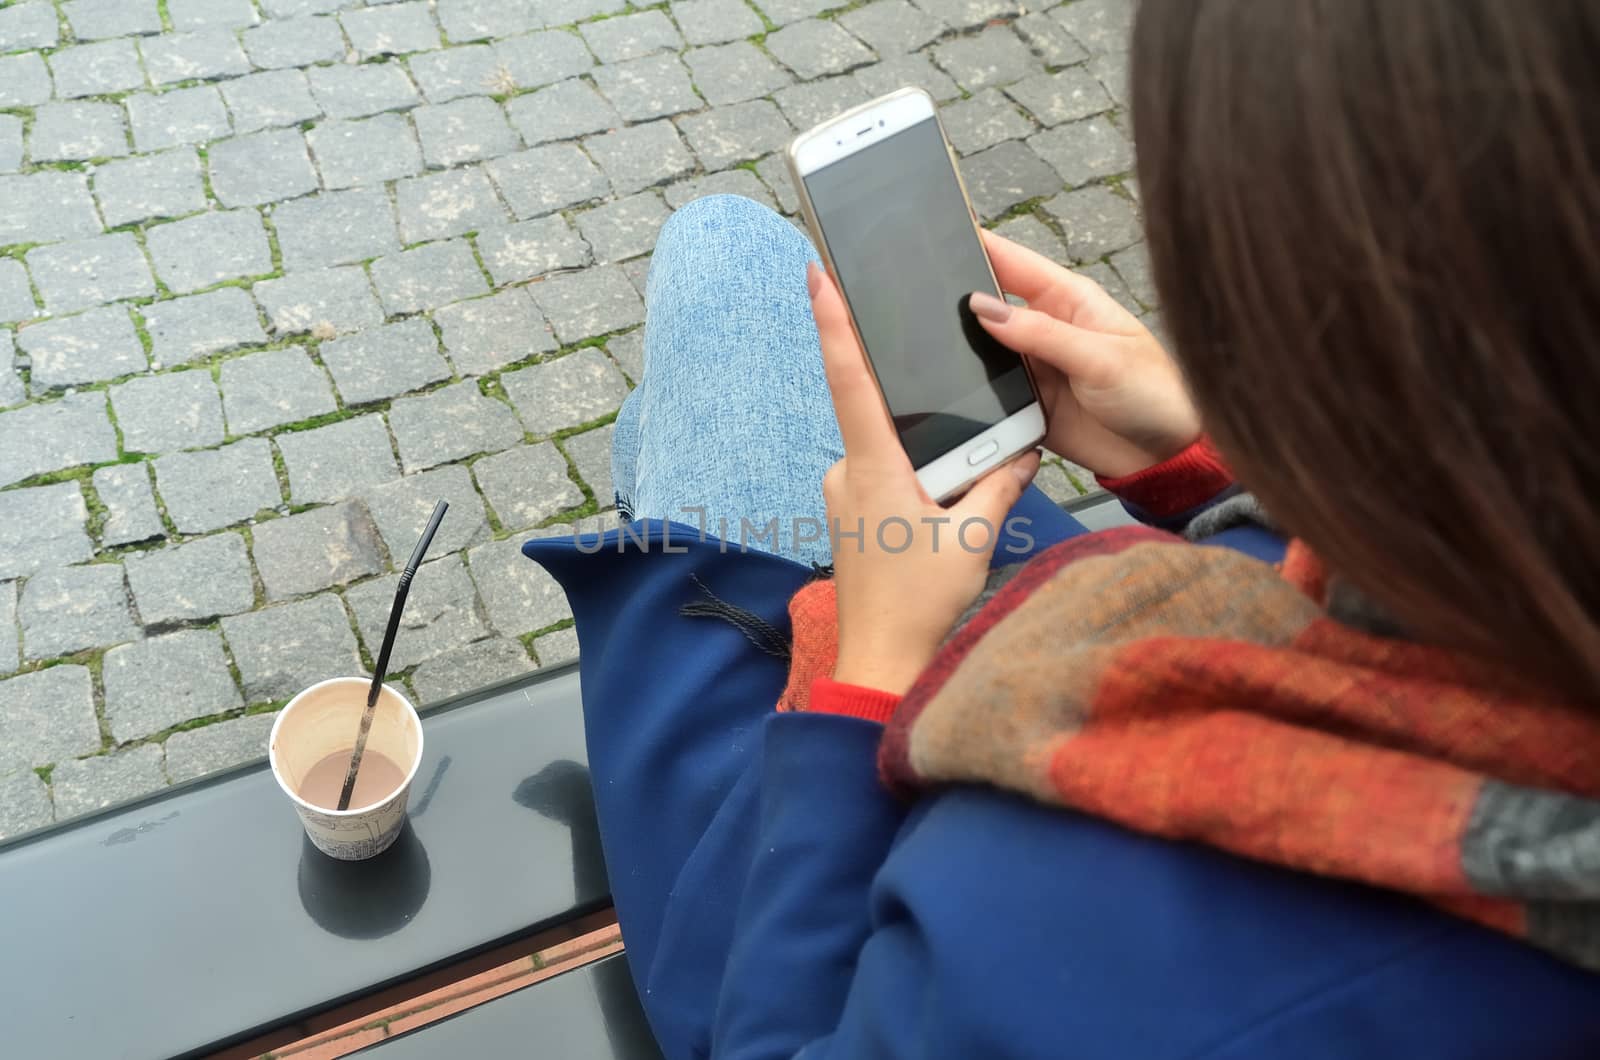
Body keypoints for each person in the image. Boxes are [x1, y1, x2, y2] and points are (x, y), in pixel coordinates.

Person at [524, 1, 1600, 1055]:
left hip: (794, 924)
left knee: (723, 259)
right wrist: (1208, 467)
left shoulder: (1064, 903)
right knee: (699, 398)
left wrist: (873, 667)